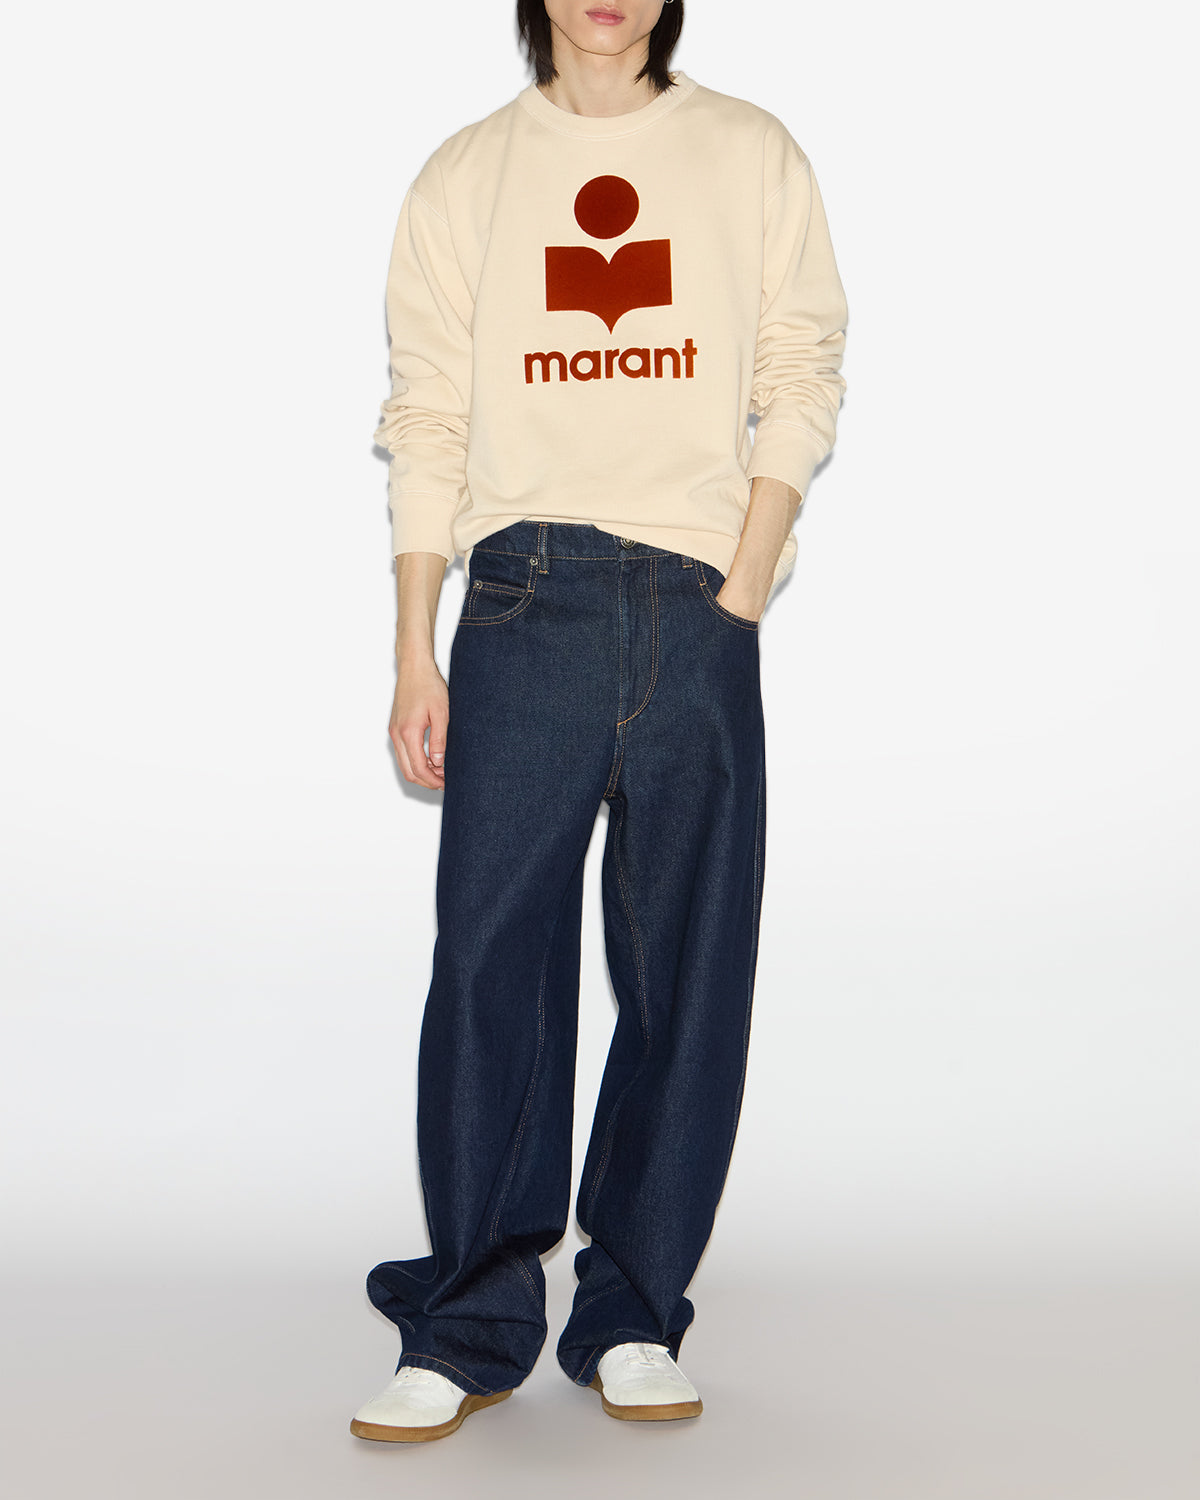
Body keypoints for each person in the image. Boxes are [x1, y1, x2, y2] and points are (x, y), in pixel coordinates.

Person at [350, 0, 848, 1443]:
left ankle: (631, 1307)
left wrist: (741, 585)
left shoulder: (751, 154)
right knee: (491, 966)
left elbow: (800, 368)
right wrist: (414, 649)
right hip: (522, 599)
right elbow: (427, 416)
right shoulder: (467, 175)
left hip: (697, 604)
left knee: (688, 969)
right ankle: (469, 1319)